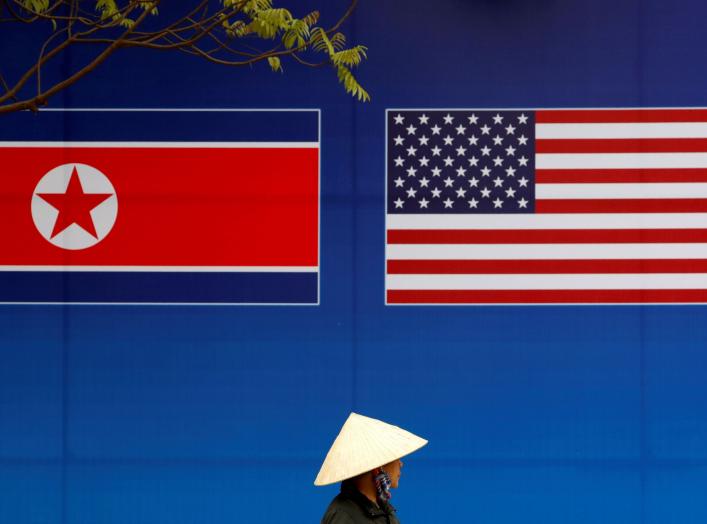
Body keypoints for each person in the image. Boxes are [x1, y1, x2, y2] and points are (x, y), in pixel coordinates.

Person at [315, 412, 428, 523]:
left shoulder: (382, 510)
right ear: (378, 468)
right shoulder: (344, 517)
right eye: (396, 458)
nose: (401, 464)